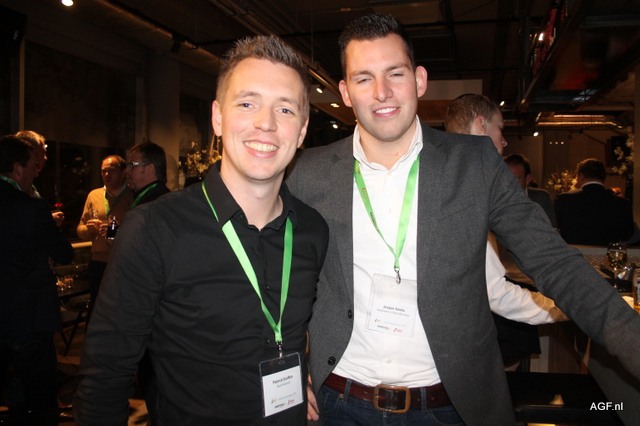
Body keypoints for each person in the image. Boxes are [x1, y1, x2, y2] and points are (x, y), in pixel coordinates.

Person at [286, 13, 640, 425]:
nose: (382, 92)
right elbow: (273, 279)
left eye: (395, 74)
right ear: (346, 92)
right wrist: (289, 368)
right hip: (338, 402)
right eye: (364, 79)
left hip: (448, 406)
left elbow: (554, 262)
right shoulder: (307, 173)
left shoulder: (475, 165)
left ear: (419, 80)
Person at [74, 35, 329, 425]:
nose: (266, 123)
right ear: (218, 117)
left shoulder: (312, 230)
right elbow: (104, 379)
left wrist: (303, 371)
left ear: (302, 129)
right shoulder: (154, 229)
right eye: (247, 103)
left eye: (285, 109)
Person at [444, 94, 566, 367]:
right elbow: (494, 292)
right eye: (500, 128)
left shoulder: (447, 175)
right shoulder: (466, 188)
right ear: (481, 125)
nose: (504, 141)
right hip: (456, 343)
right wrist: (564, 306)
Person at [0, 135, 73, 425]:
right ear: (18, 168)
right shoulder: (31, 207)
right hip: (29, 316)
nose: (35, 172)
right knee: (40, 395)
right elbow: (64, 253)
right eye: (32, 166)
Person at [76, 155, 133, 319]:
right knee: (96, 308)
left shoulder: (133, 196)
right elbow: (80, 229)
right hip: (98, 262)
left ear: (123, 172)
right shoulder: (94, 195)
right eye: (103, 171)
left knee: (120, 309)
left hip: (123, 262)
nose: (107, 175)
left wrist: (118, 230)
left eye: (111, 171)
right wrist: (89, 230)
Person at [556, 158, 634, 245]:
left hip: (574, 252)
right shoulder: (622, 204)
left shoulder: (564, 200)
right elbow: (627, 235)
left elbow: (556, 230)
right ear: (603, 177)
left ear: (581, 176)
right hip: (607, 252)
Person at [15, 130, 64, 226]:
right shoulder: (11, 190)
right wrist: (47, 221)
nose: (45, 158)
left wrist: (47, 219)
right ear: (31, 153)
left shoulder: (30, 188)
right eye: (43, 152)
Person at [504, 153, 556, 227]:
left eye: (516, 179)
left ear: (528, 179)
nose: (510, 183)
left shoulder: (541, 199)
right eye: (506, 178)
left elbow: (550, 230)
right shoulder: (494, 201)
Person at [126, 141, 170, 208]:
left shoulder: (155, 202)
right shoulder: (155, 196)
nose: (127, 170)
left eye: (133, 165)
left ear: (150, 169)